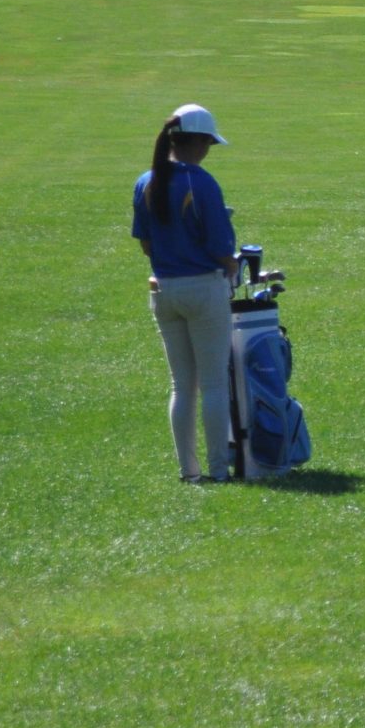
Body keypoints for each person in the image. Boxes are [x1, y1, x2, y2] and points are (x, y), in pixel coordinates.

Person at [132, 104, 240, 483]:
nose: (209, 149)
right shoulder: (201, 182)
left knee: (182, 385)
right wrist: (230, 265)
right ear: (196, 141)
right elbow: (220, 245)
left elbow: (146, 243)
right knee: (211, 383)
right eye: (208, 142)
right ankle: (217, 470)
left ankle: (188, 472)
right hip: (203, 289)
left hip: (164, 290)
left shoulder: (146, 181)